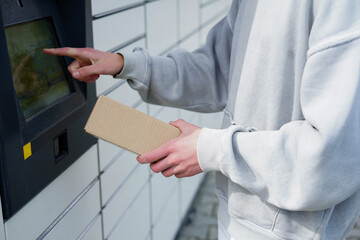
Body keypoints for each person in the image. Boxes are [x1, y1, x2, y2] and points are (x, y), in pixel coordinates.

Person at [44, 0, 360, 239]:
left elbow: (332, 156)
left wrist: (209, 149)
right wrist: (128, 65)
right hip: (236, 217)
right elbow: (217, 69)